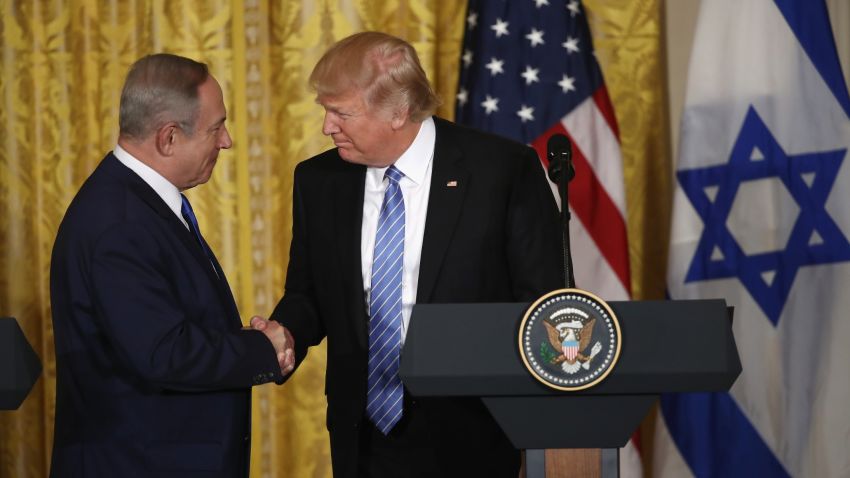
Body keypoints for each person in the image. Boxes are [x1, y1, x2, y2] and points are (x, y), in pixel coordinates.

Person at [269, 32, 562, 477]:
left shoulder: (502, 171)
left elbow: (541, 302)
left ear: (398, 111)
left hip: (472, 432)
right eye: (325, 110)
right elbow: (308, 292)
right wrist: (285, 332)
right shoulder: (319, 179)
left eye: (341, 113)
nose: (327, 127)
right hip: (362, 435)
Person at [49, 53, 294, 477]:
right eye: (216, 127)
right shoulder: (119, 224)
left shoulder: (134, 204)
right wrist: (263, 350)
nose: (227, 141)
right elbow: (163, 353)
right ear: (168, 139)